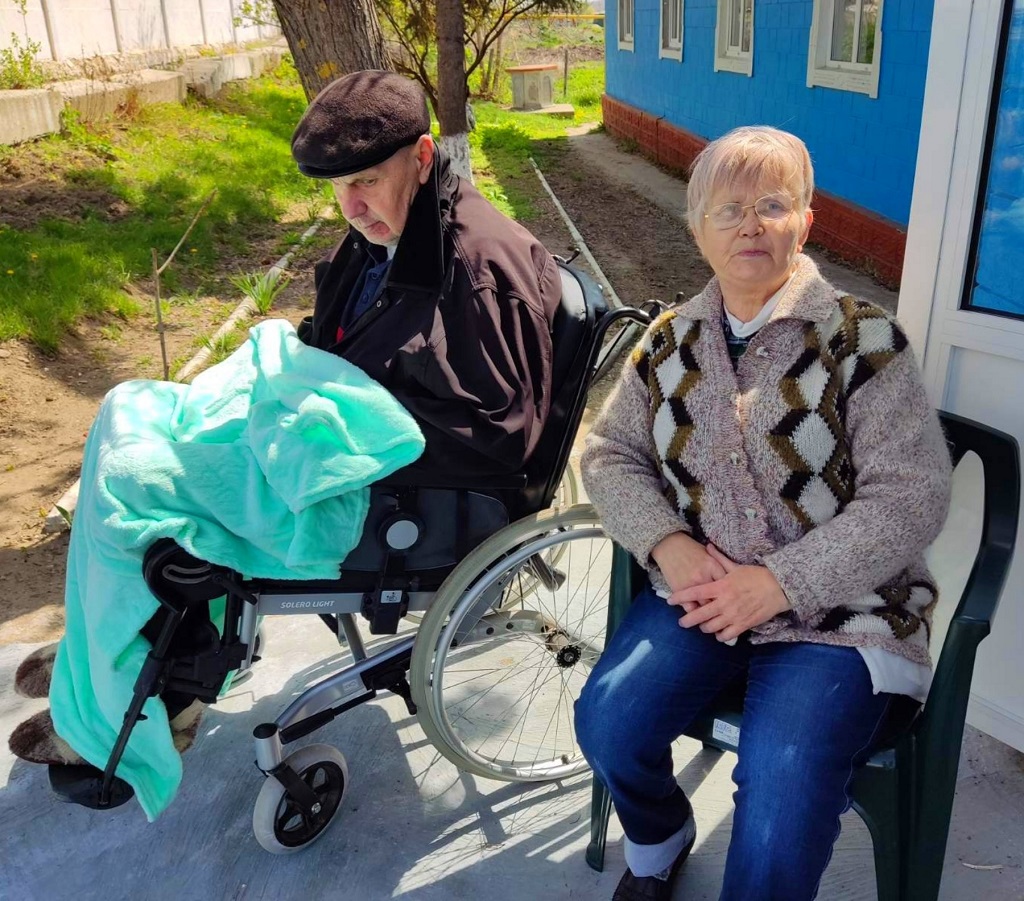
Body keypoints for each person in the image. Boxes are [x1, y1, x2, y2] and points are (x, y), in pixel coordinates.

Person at [575, 126, 952, 901]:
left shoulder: (862, 339)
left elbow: (912, 496)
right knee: (608, 719)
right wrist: (668, 543)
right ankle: (659, 835)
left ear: (805, 221)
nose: (752, 224)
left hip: (845, 615)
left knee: (781, 785)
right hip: (706, 596)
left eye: (773, 205)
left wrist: (782, 581)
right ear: (697, 229)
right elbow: (608, 456)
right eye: (730, 208)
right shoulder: (667, 342)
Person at [290, 69, 562, 479]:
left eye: (366, 181)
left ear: (423, 158)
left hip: (398, 499)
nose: (351, 209)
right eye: (338, 186)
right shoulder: (386, 225)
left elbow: (501, 439)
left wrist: (350, 419)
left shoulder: (476, 277)